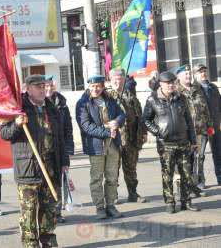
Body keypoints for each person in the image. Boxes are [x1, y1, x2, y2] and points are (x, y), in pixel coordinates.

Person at [1, 75, 67, 248]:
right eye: (38, 86)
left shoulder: (52, 108)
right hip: (28, 168)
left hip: (51, 168)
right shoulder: (17, 108)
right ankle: (30, 244)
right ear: (27, 88)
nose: (42, 89)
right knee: (29, 212)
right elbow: (5, 134)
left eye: (44, 86)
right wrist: (16, 124)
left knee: (50, 210)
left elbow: (60, 137)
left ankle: (48, 242)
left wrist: (65, 162)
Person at [142, 71, 200, 213]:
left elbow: (189, 121)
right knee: (167, 175)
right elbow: (146, 120)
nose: (171, 85)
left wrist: (193, 141)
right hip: (165, 144)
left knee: (186, 174)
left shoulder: (182, 98)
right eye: (168, 83)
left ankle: (186, 202)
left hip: (183, 142)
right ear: (161, 84)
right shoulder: (152, 100)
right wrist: (158, 131)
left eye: (173, 83)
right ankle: (169, 202)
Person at [76, 75, 126, 219]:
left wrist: (117, 122)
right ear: (89, 87)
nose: (95, 89)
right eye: (93, 86)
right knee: (96, 178)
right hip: (96, 145)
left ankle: (111, 205)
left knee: (112, 177)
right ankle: (99, 207)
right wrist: (106, 132)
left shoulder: (109, 100)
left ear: (103, 86)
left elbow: (121, 114)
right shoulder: (83, 103)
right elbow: (86, 126)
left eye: (98, 86)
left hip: (113, 145)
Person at [106, 69, 147, 203]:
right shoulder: (107, 96)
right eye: (115, 79)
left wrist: (144, 132)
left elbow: (140, 116)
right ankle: (113, 195)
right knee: (113, 169)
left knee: (131, 168)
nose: (118, 82)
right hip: (115, 139)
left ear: (124, 80)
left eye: (120, 79)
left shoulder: (130, 95)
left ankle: (133, 193)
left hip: (131, 138)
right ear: (110, 80)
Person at [175, 64, 209, 195]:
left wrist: (209, 125)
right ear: (179, 77)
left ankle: (196, 185)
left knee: (198, 158)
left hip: (200, 130)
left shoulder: (197, 88)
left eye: (189, 74)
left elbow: (205, 107)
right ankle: (182, 188)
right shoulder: (176, 91)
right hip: (185, 133)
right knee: (184, 161)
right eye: (186, 74)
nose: (188, 76)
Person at [45, 78, 74, 223]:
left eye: (51, 86)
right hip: (45, 149)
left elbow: (68, 129)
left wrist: (68, 149)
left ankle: (57, 212)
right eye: (46, 86)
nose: (49, 88)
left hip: (60, 147)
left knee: (60, 180)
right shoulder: (39, 104)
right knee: (46, 181)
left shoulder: (62, 105)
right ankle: (47, 213)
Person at [193, 63, 221, 186]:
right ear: (195, 75)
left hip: (215, 126)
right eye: (200, 72)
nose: (203, 73)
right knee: (200, 155)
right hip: (201, 128)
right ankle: (200, 181)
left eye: (204, 71)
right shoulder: (194, 89)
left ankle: (220, 177)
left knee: (218, 152)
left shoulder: (213, 87)